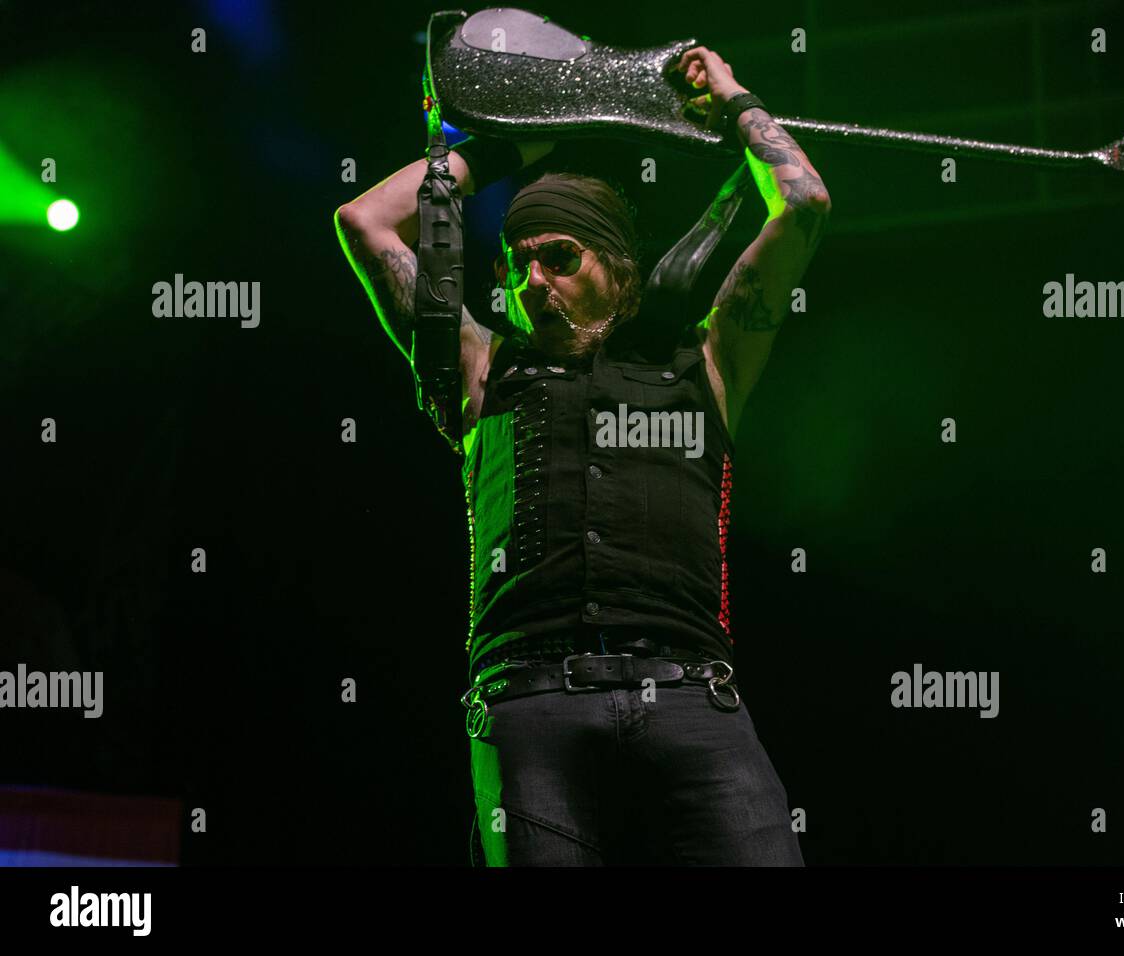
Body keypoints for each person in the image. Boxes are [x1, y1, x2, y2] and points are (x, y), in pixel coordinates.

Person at [335, 46, 830, 865]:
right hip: (531, 712)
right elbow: (365, 222)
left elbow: (803, 199)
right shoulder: (482, 372)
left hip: (690, 700)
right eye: (518, 262)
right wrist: (507, 142)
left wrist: (736, 101)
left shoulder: (705, 363)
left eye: (560, 257)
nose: (533, 281)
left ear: (620, 271)